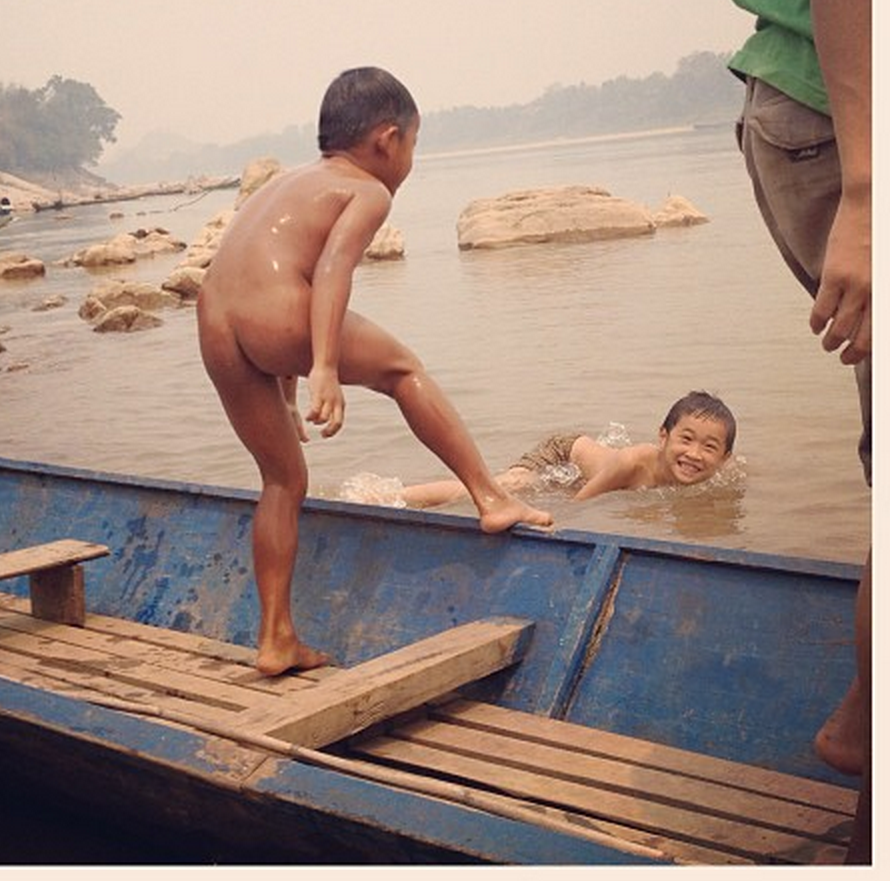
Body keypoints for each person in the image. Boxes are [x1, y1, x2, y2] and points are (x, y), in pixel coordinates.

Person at [196, 66, 553, 676]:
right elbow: (332, 269)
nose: (410, 161)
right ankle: (492, 498)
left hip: (214, 318)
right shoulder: (368, 189)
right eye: (413, 145)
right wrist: (325, 367)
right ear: (388, 140)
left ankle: (275, 637)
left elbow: (263, 265)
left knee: (282, 482)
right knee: (403, 371)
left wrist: (284, 389)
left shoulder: (288, 183)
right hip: (276, 315)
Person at [696, 0, 870, 864]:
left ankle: (862, 730)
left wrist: (787, 4)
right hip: (846, 130)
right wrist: (866, 181)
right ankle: (866, 776)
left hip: (784, 97)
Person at [399, 391, 736, 510]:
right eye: (686, 439)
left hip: (586, 467)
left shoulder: (718, 476)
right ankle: (394, 496)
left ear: (725, 459)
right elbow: (581, 502)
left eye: (709, 447)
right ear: (663, 436)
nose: (694, 454)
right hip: (562, 454)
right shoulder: (631, 463)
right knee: (501, 490)